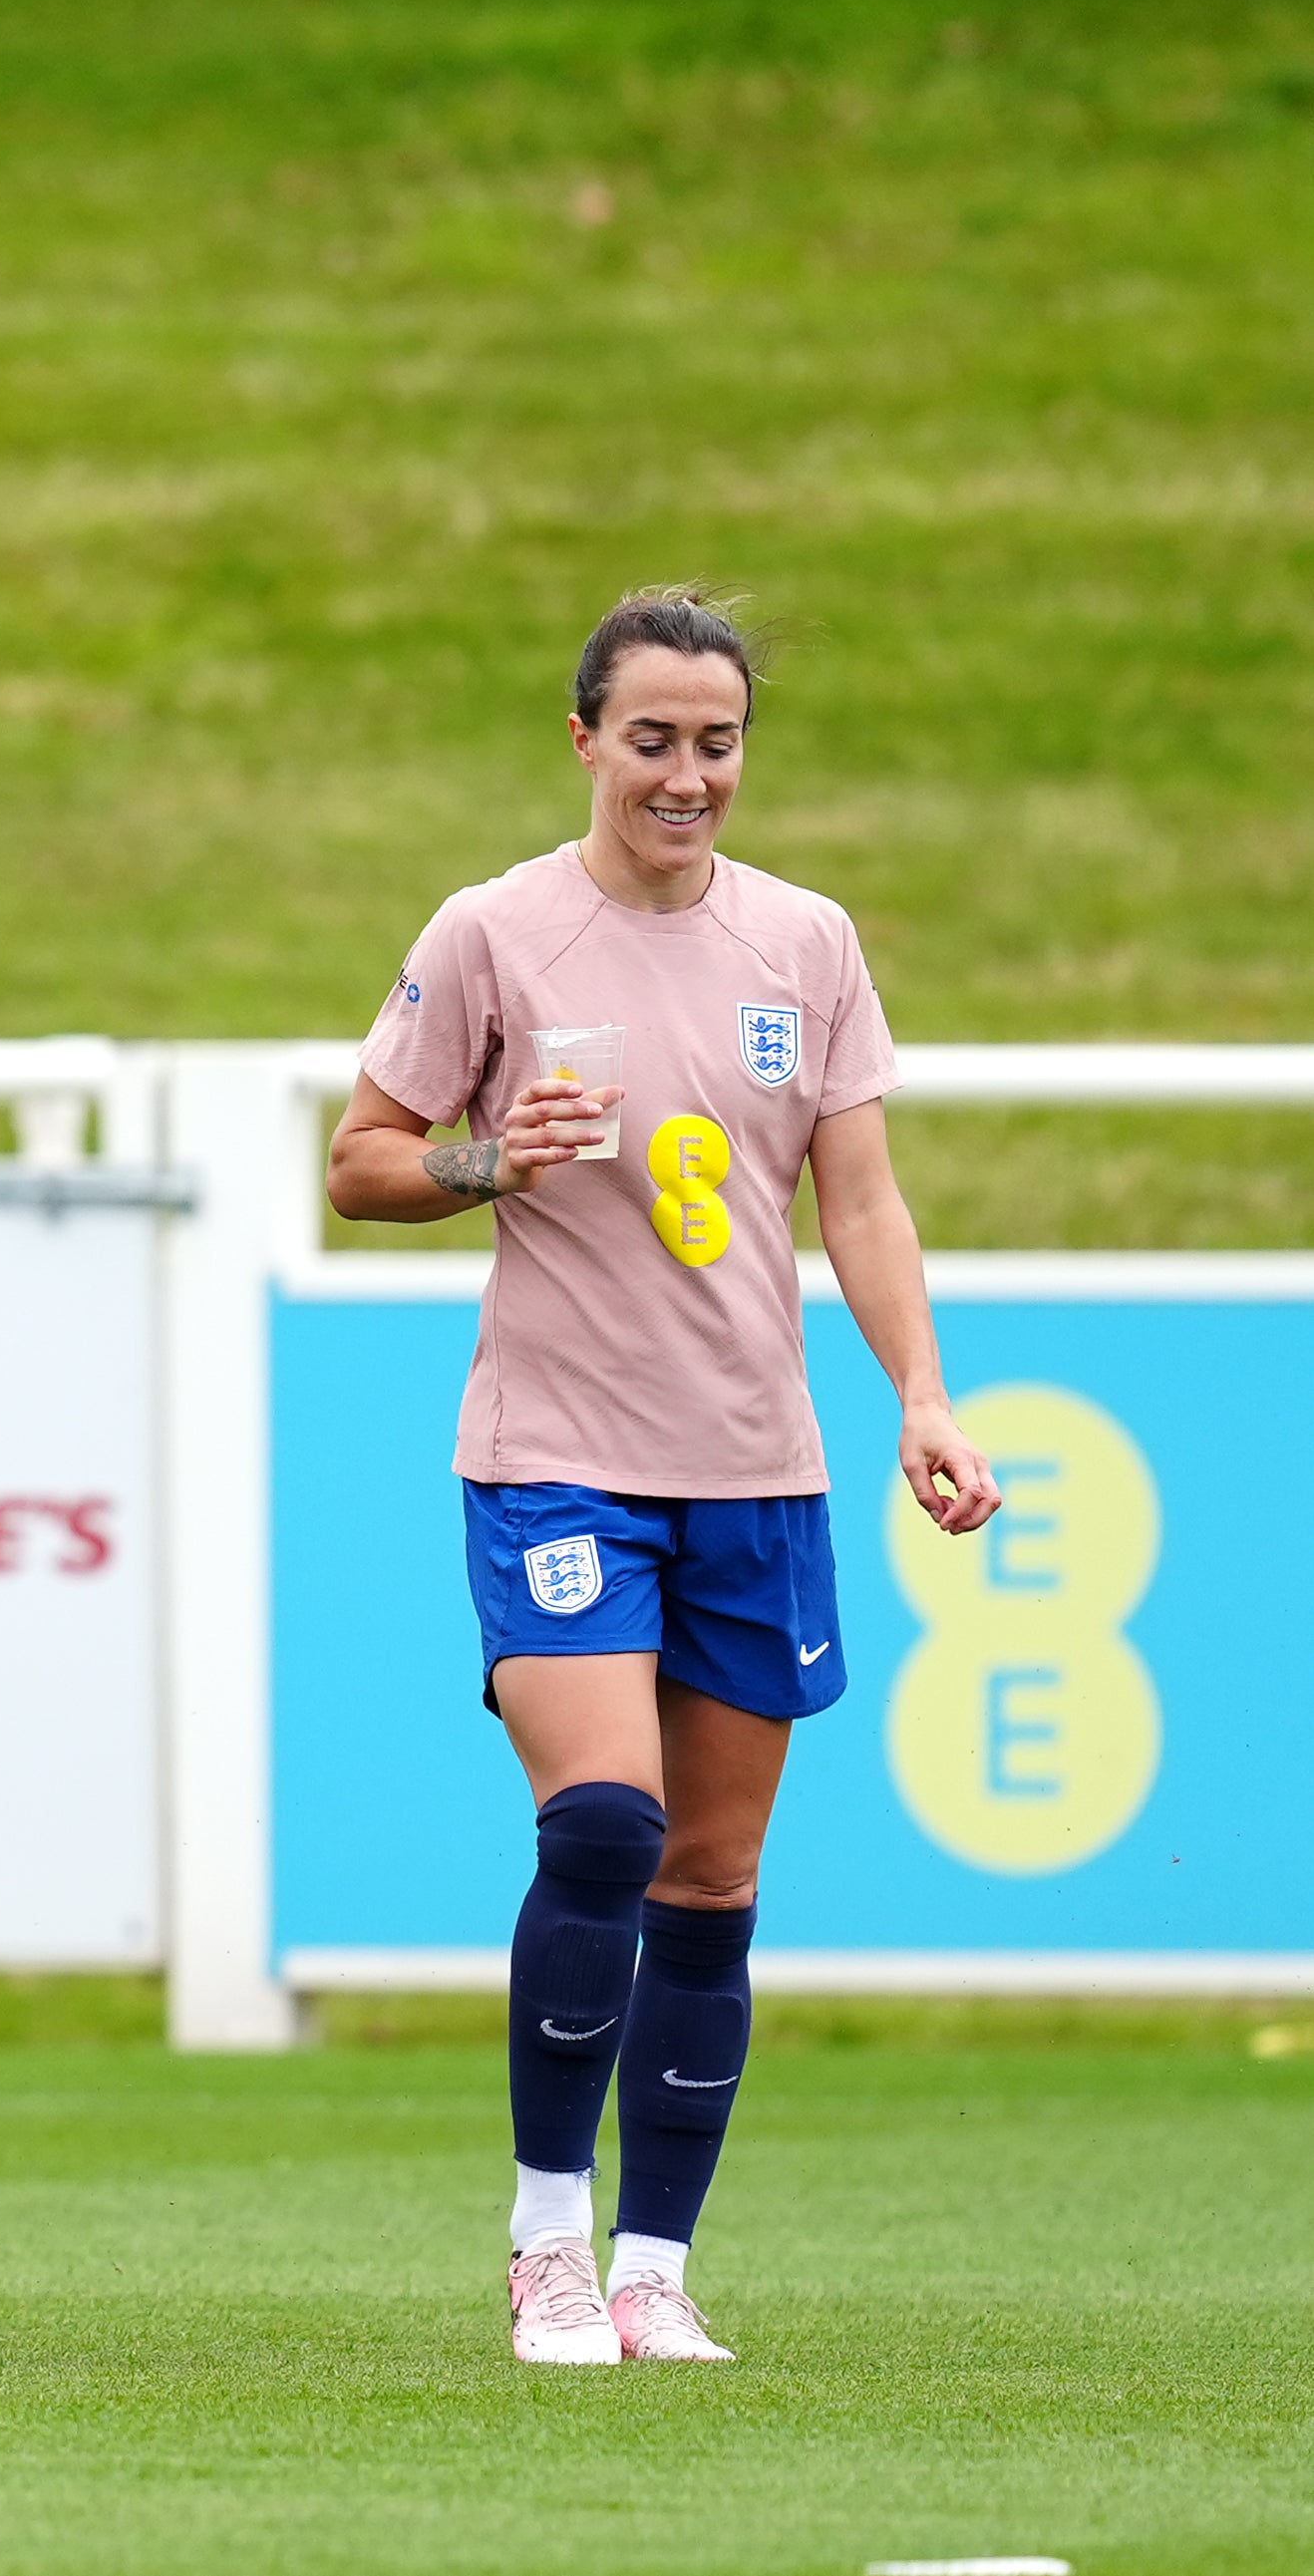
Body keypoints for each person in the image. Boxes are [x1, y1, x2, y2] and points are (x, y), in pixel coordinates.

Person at [325, 588, 999, 2368]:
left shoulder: (807, 942)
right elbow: (360, 1159)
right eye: (652, 740)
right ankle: (547, 2237)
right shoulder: (493, 932)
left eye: (715, 742)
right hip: (555, 1455)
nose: (686, 774)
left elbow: (855, 1195)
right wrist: (484, 1155)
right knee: (604, 1823)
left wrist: (919, 1393)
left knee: (708, 1878)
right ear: (582, 741)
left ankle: (653, 2264)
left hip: (752, 1469)